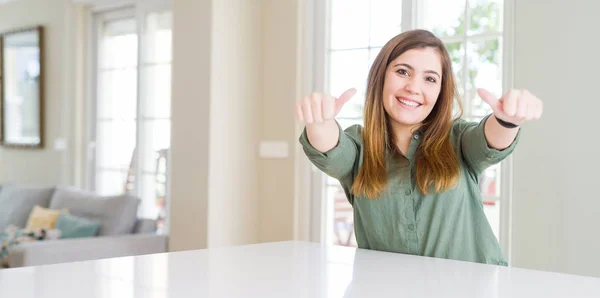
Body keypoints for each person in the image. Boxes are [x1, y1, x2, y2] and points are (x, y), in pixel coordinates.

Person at [295, 29, 543, 265]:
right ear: (381, 76)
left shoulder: (458, 139)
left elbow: (491, 138)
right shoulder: (359, 147)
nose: (414, 87)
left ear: (440, 91)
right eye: (403, 72)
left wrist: (507, 120)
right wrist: (319, 121)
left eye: (430, 78)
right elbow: (330, 147)